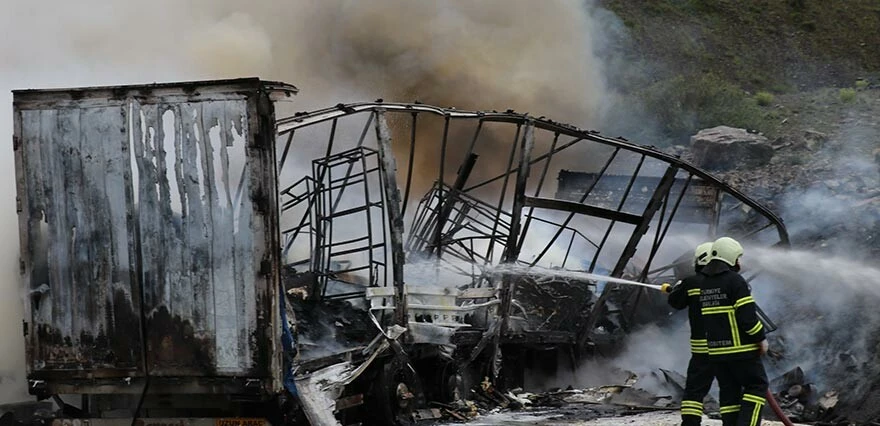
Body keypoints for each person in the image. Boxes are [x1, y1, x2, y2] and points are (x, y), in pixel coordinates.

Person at [699, 237, 768, 426]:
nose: (739, 262)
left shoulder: (705, 284)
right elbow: (748, 319)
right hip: (741, 350)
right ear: (730, 257)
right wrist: (761, 338)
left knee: (729, 395)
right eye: (738, 257)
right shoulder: (735, 281)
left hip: (717, 353)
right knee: (757, 386)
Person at [666, 242, 714, 426]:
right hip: (728, 348)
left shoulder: (691, 282)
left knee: (694, 392)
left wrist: (678, 288)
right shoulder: (732, 283)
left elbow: (676, 303)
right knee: (731, 388)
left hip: (702, 351)